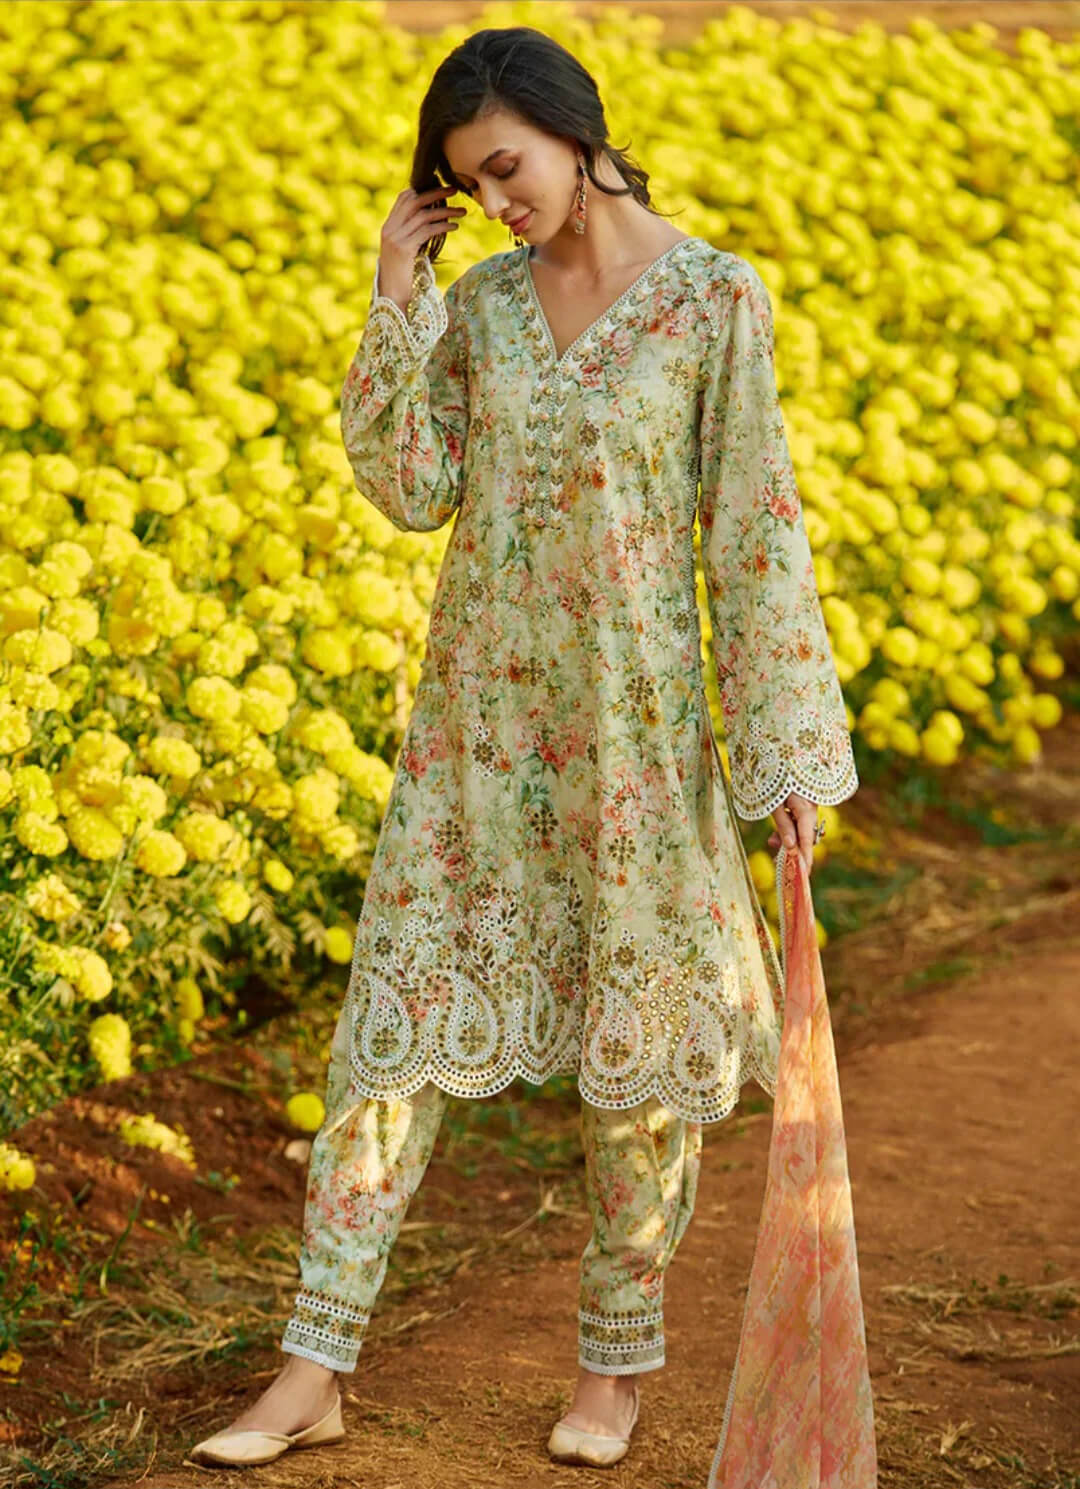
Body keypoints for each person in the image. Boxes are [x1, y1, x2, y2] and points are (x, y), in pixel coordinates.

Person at [189, 24, 858, 1473]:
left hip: (637, 747)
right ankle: (312, 1368)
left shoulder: (713, 301)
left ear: (573, 130)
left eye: (505, 168)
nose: (496, 203)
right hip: (475, 746)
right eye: (470, 185)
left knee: (640, 1068)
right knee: (389, 1040)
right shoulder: (482, 308)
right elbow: (411, 487)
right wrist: (397, 297)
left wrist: (786, 759)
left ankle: (613, 1369)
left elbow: (754, 536)